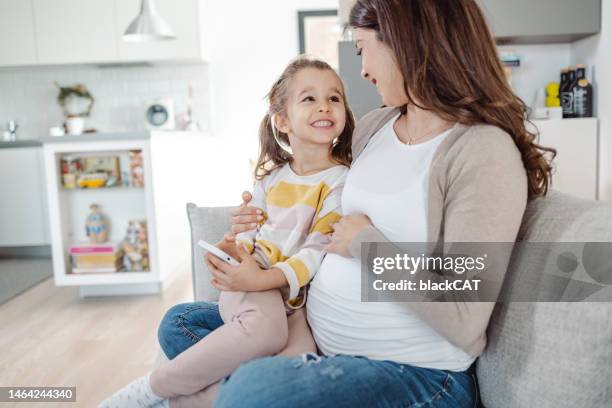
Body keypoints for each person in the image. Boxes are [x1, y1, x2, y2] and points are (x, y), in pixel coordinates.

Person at [219, 0, 555, 407]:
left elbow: (466, 318)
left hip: (417, 374)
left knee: (252, 391)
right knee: (180, 325)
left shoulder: (482, 152)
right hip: (322, 340)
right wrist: (258, 224)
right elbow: (316, 200)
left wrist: (368, 246)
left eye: (363, 49)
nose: (362, 69)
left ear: (405, 43)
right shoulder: (377, 126)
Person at [98, 57, 355, 408]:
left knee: (288, 371)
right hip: (255, 287)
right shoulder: (271, 180)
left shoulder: (341, 180)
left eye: (334, 98)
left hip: (291, 303)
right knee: (262, 331)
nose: (325, 105)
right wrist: (233, 249)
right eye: (309, 98)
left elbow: (315, 250)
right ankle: (154, 387)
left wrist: (260, 279)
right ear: (282, 120)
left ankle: (180, 400)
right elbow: (249, 236)